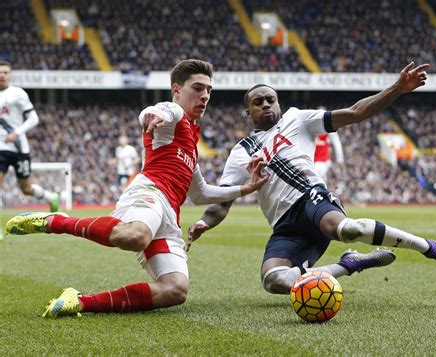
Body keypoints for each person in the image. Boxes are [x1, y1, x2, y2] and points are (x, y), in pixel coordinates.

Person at [6, 59, 269, 317]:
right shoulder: (172, 115)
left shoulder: (191, 138)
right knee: (134, 236)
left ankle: (80, 301)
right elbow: (158, 111)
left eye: (209, 90)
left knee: (175, 290)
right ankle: (55, 222)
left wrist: (246, 189)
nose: (205, 95)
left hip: (169, 216)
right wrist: (154, 113)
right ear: (177, 90)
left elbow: (200, 194)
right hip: (150, 193)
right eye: (198, 88)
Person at [187, 62, 436, 297]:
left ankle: (429, 247)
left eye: (270, 100)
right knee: (273, 281)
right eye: (257, 102)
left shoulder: (298, 119)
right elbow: (223, 200)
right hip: (285, 225)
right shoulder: (241, 151)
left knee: (346, 229)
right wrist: (204, 223)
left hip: (311, 198)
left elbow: (356, 113)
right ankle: (348, 265)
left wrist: (397, 88)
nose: (265, 105)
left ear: (279, 103)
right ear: (248, 112)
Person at [0, 61, 59, 212]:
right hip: (0, 148)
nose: (2, 75)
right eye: (0, 72)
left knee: (25, 188)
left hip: (19, 148)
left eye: (5, 72)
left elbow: (34, 119)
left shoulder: (18, 93)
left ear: (10, 75)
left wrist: (16, 133)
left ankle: (50, 197)